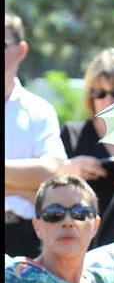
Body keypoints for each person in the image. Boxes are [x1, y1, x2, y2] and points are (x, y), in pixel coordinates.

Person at [5, 13, 67, 257]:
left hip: (26, 238)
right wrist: (21, 186)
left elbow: (50, 173)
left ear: (21, 51)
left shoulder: (40, 111)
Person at [60, 48, 114, 222]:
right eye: (100, 93)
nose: (108, 100)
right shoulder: (73, 135)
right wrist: (67, 170)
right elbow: (45, 188)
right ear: (91, 97)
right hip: (81, 240)